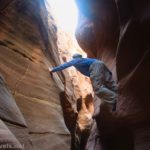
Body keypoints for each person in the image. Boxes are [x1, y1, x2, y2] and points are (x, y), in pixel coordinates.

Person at [49, 53, 118, 111]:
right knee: (109, 83)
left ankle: (114, 98)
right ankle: (119, 92)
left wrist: (53, 70)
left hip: (95, 66)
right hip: (101, 64)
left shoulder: (76, 60)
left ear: (74, 58)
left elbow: (64, 65)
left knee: (98, 88)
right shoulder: (84, 60)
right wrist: (108, 73)